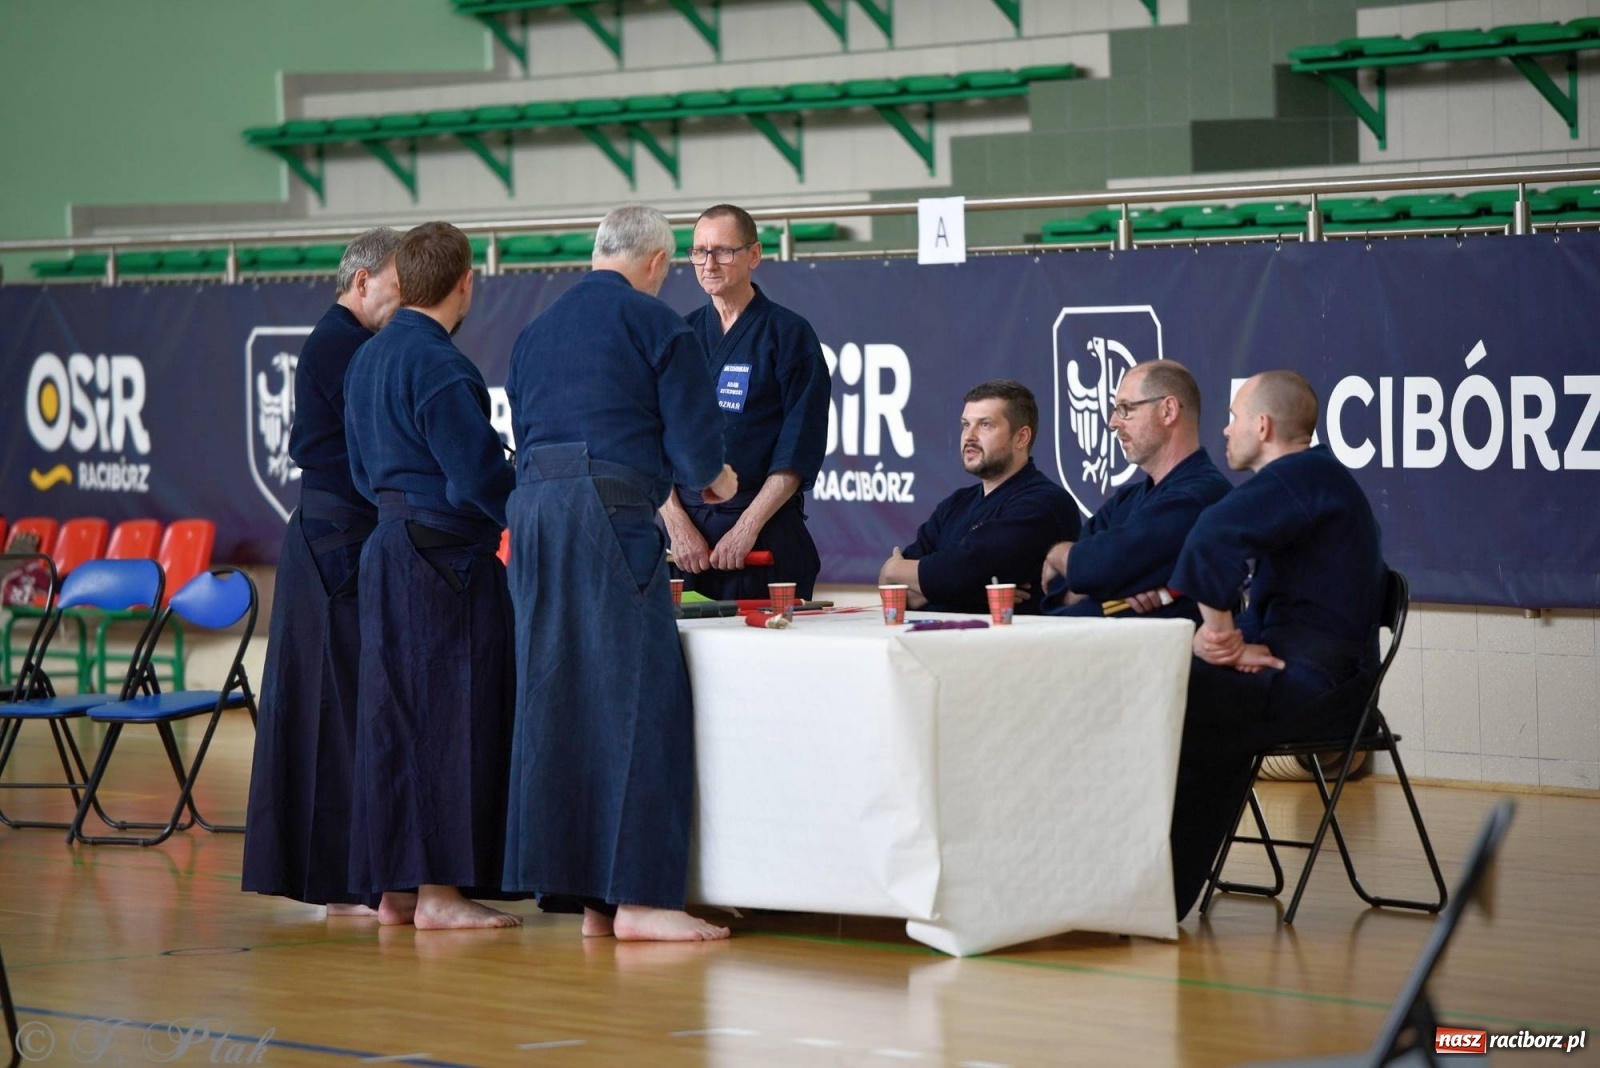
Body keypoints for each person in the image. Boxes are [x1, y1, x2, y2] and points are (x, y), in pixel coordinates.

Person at [502, 205, 738, 942]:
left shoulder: (534, 330)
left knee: (557, 696)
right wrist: (720, 483)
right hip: (606, 511)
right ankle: (642, 900)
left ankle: (590, 901)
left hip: (532, 515)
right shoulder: (656, 324)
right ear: (657, 265)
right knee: (641, 696)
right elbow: (699, 459)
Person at [343, 221, 521, 930]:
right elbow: (477, 473)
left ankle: (395, 891)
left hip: (386, 546)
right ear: (464, 281)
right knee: (448, 718)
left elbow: (360, 473)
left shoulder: (368, 359)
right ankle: (441, 895)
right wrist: (524, 508)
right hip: (442, 557)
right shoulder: (440, 364)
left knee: (392, 718)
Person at [1165, 370, 1387, 921]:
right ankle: (1155, 887)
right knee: (1169, 688)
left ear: (1262, 425)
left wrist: (1222, 638)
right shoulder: (1313, 482)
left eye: (1234, 417)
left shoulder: (1305, 475)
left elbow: (1212, 533)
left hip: (1319, 688)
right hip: (1301, 672)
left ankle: (1152, 889)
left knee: (1167, 698)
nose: (1226, 428)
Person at [242, 227, 410, 920]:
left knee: (342, 707)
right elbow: (330, 447)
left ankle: (348, 875)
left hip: (336, 535)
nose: (403, 308)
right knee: (335, 709)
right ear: (362, 281)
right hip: (333, 540)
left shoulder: (356, 344)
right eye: (397, 293)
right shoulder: (341, 344)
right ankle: (344, 877)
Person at [659, 204, 830, 600]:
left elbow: (798, 448)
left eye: (723, 251)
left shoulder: (788, 335)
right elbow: (652, 442)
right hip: (687, 547)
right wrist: (677, 526)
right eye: (699, 251)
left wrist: (747, 528)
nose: (708, 263)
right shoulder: (678, 336)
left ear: (754, 255)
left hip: (761, 533)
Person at [1039, 360, 1230, 621]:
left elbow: (1101, 567)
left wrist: (1058, 555)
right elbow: (1057, 590)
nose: (1112, 423)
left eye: (1126, 409)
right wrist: (1097, 582)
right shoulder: (1125, 500)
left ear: (1168, 411)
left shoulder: (1201, 497)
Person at [878, 380, 1079, 614]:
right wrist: (967, 591)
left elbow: (963, 572)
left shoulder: (1045, 503)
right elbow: (896, 593)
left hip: (1011, 647)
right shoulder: (955, 505)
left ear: (1021, 437)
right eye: (965, 425)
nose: (969, 437)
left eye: (985, 425)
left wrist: (892, 569)